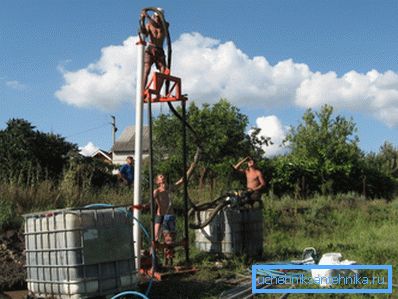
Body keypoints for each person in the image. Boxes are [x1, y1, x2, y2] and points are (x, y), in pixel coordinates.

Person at [140, 8, 170, 88]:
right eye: (156, 17)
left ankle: (157, 91)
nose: (158, 18)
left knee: (164, 70)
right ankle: (142, 90)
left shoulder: (165, 24)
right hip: (150, 48)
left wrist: (146, 16)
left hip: (159, 50)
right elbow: (144, 33)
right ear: (154, 16)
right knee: (146, 70)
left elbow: (157, 25)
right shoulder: (149, 25)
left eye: (159, 17)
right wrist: (142, 20)